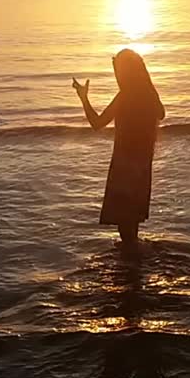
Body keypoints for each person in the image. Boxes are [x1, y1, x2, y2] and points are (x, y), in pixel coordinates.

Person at [73, 48, 165, 251]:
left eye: (118, 70)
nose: (116, 75)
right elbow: (161, 113)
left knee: (124, 218)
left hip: (124, 162)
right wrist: (149, 85)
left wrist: (84, 98)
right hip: (142, 163)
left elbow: (97, 123)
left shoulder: (124, 96)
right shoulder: (148, 92)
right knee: (132, 216)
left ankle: (131, 260)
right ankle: (133, 256)